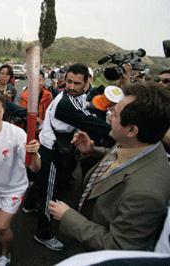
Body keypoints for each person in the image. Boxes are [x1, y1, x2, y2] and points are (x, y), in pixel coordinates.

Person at [49, 82, 170, 250]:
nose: (109, 115)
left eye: (114, 113)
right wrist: (92, 150)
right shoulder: (137, 143)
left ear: (131, 130)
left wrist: (69, 217)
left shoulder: (144, 193)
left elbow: (118, 246)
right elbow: (119, 154)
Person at [28, 63, 112, 251]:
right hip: (50, 151)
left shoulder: (78, 96)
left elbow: (87, 103)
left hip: (57, 148)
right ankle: (43, 233)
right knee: (49, 192)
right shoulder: (65, 102)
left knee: (44, 184)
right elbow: (94, 124)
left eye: (77, 83)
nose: (71, 87)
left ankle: (29, 206)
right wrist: (118, 129)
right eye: (69, 82)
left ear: (86, 82)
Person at [0, 91, 41, 266]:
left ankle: (5, 254)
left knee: (3, 227)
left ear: (4, 112)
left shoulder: (16, 134)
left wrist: (33, 154)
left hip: (14, 188)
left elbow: (35, 168)